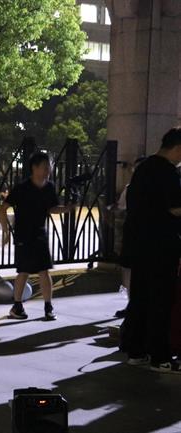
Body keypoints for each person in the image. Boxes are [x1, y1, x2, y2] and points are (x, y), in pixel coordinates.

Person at [121, 127, 181, 374]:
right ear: (177, 148)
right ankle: (160, 357)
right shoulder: (167, 172)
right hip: (161, 246)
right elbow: (175, 208)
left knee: (140, 298)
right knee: (161, 301)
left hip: (139, 244)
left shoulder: (143, 169)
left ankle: (136, 352)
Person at [0, 151, 74, 321]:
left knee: (44, 270)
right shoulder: (22, 188)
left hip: (40, 233)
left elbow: (52, 208)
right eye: (45, 167)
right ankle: (17, 306)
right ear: (34, 167)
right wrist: (6, 231)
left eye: (50, 167)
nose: (48, 170)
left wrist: (67, 209)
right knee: (24, 271)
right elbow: (3, 208)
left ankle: (48, 307)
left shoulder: (49, 187)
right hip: (23, 235)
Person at [114, 156, 146, 318]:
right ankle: (132, 304)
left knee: (134, 271)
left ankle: (135, 306)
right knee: (129, 270)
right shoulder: (130, 188)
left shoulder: (134, 188)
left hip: (139, 235)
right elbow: (121, 208)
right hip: (133, 233)